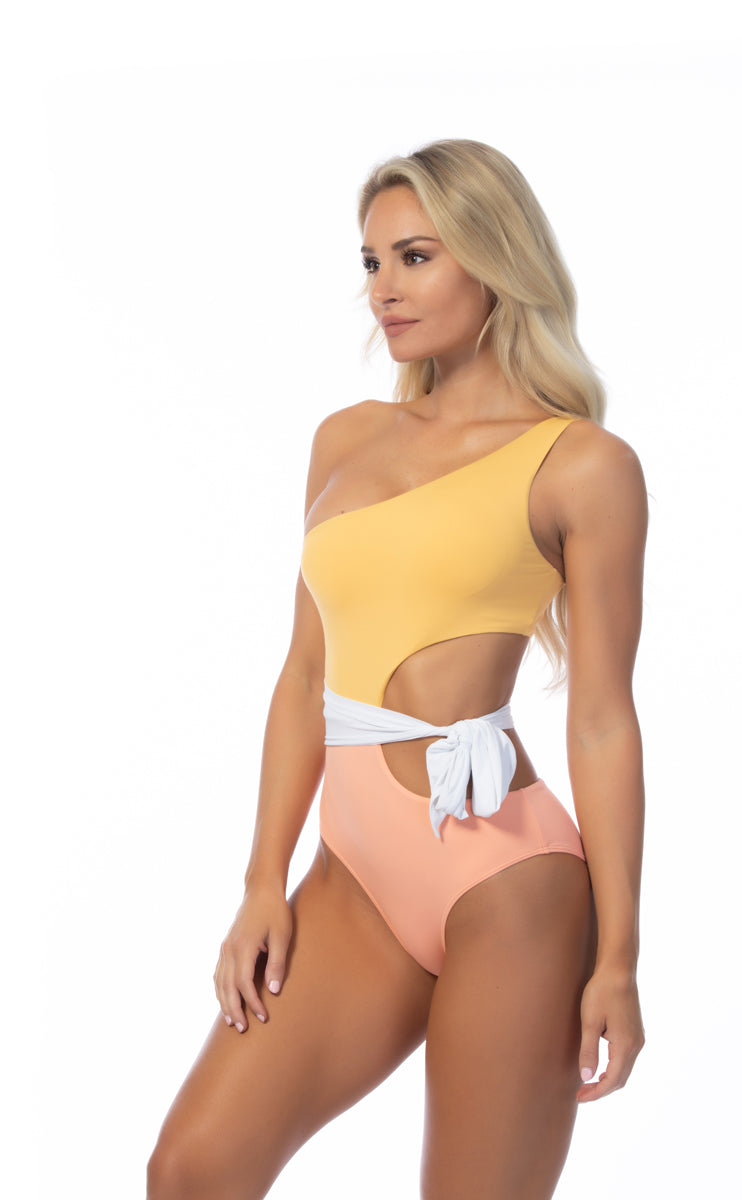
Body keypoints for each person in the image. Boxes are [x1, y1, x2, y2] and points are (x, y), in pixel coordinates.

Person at [147, 138, 647, 1200]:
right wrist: (261, 882)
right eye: (372, 262)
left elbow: (603, 718)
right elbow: (303, 676)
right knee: (191, 1172)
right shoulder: (345, 441)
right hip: (354, 877)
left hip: (507, 885)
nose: (383, 289)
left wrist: (618, 959)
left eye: (415, 257)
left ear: (493, 258)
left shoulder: (581, 465)